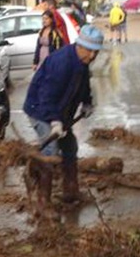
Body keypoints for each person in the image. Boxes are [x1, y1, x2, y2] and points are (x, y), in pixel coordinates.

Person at [23, 23, 104, 208]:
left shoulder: (82, 63)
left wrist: (87, 102)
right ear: (79, 45)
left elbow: (83, 85)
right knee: (50, 151)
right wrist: (54, 121)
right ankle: (43, 201)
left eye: (96, 53)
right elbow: (46, 96)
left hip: (61, 111)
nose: (92, 56)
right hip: (40, 109)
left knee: (70, 146)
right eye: (89, 51)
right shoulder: (62, 62)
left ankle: (70, 190)